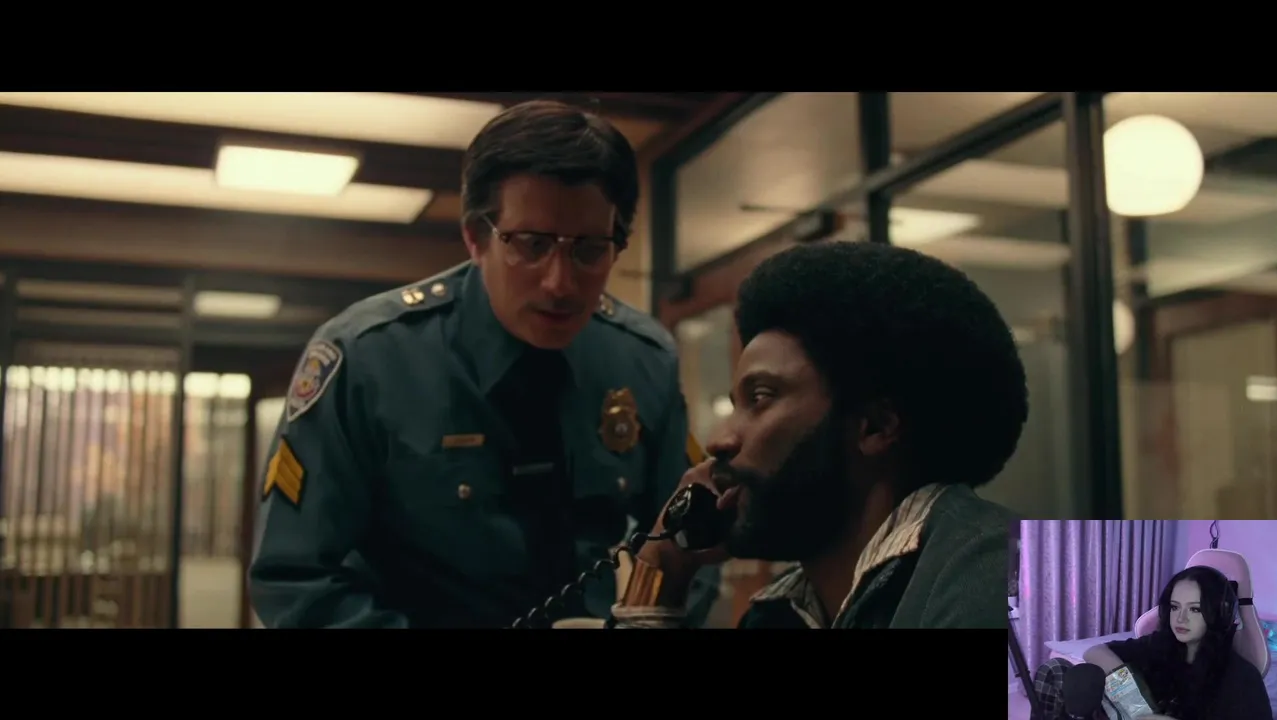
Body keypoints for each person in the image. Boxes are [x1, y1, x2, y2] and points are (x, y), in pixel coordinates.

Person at [248, 100, 719, 628]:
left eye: (589, 250)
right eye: (532, 245)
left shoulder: (643, 360)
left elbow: (692, 539)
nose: (560, 283)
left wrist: (648, 620)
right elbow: (294, 579)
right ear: (476, 236)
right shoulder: (368, 358)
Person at [607, 240, 1023, 630]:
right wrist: (662, 565)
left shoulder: (1028, 582)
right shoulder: (777, 614)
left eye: (761, 398)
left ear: (875, 426)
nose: (719, 440)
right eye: (735, 405)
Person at [1033, 565, 1271, 719]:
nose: (1181, 618)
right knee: (1055, 670)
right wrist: (1130, 695)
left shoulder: (1240, 679)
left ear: (1219, 613)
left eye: (1195, 609)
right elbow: (1094, 652)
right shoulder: (1159, 645)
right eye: (1175, 607)